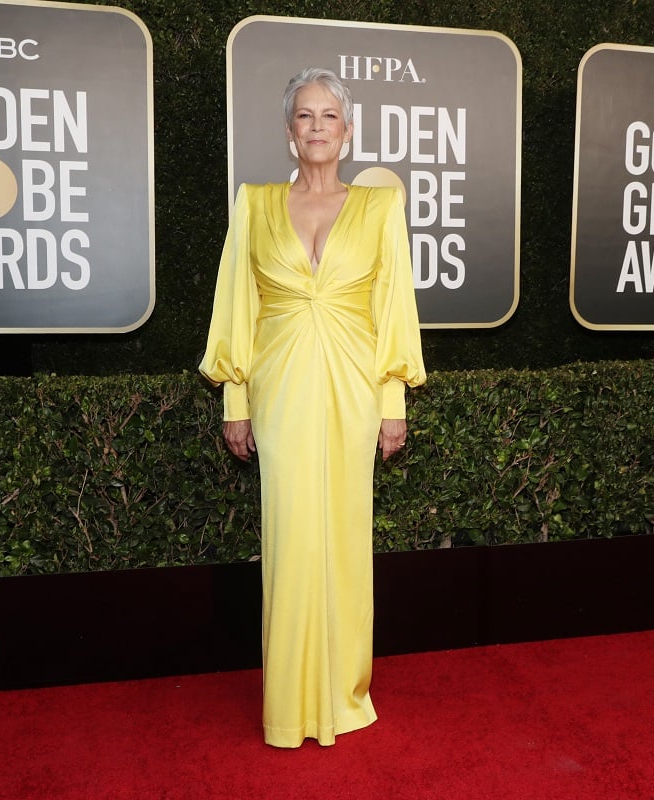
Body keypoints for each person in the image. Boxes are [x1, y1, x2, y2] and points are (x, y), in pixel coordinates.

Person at [198, 67, 426, 748]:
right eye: (305, 116)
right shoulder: (255, 204)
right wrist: (234, 400)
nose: (318, 126)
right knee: (291, 540)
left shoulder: (381, 209)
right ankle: (291, 703)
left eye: (330, 116)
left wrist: (393, 403)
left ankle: (345, 694)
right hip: (282, 389)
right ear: (289, 132)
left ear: (347, 132)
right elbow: (238, 304)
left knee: (348, 543)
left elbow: (394, 310)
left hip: (356, 389)